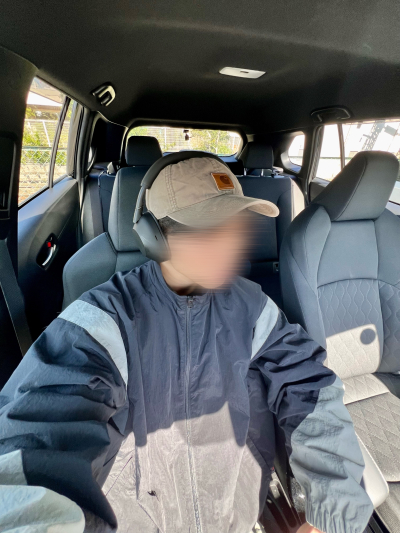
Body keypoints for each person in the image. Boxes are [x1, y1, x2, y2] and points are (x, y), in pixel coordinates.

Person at [0, 155, 372, 533]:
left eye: (236, 226)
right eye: (205, 230)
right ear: (153, 235)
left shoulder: (253, 306)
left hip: (235, 516)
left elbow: (311, 387)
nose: (229, 244)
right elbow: (37, 439)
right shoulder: (103, 320)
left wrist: (334, 512)